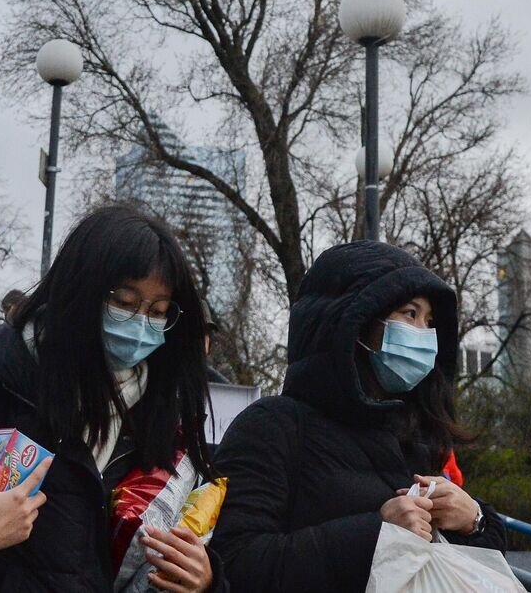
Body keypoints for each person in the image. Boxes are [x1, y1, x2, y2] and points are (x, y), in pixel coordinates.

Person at [0, 204, 227, 592]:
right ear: (79, 290)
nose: (139, 324)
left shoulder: (161, 432)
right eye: (124, 301)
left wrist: (205, 581)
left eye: (158, 311)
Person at [210, 240, 506, 590]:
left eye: (430, 322)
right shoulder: (272, 426)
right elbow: (232, 562)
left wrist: (475, 520)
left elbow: (468, 567)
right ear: (356, 323)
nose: (424, 334)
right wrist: (374, 534)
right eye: (410, 314)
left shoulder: (413, 431)